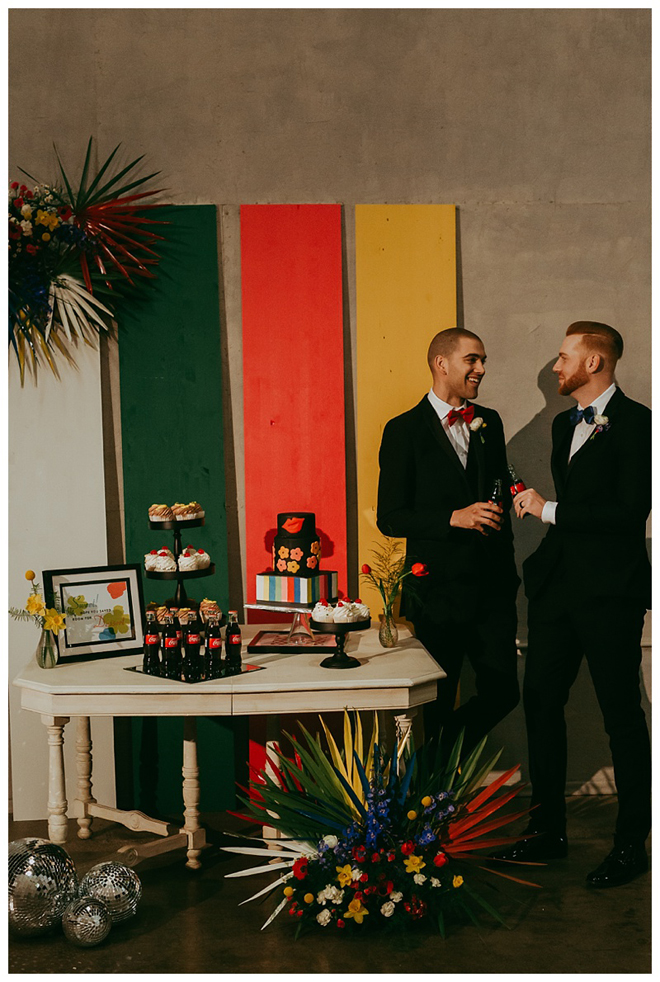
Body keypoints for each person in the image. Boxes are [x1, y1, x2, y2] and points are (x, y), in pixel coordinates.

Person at [495, 321, 651, 888]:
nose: (556, 366)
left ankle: (632, 845)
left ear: (594, 362)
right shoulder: (565, 424)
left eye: (564, 357)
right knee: (540, 702)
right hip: (558, 589)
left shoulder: (640, 424)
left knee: (621, 716)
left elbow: (629, 513)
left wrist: (548, 510)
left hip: (609, 592)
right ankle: (547, 831)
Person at [376, 327, 520, 752]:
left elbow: (497, 491)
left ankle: (435, 758)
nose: (481, 368)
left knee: (503, 693)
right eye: (472, 359)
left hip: (492, 590)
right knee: (436, 704)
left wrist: (508, 570)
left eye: (483, 360)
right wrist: (454, 518)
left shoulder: (489, 422)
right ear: (442, 363)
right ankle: (431, 789)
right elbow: (390, 517)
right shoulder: (403, 429)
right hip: (437, 594)